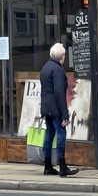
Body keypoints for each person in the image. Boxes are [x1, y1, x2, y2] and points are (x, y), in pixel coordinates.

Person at [39, 42, 79, 177]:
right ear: (61, 55)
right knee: (61, 134)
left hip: (47, 107)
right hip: (56, 108)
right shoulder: (58, 70)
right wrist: (65, 115)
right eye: (64, 55)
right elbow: (59, 93)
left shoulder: (45, 68)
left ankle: (48, 166)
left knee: (49, 134)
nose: (64, 57)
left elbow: (45, 90)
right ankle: (62, 166)